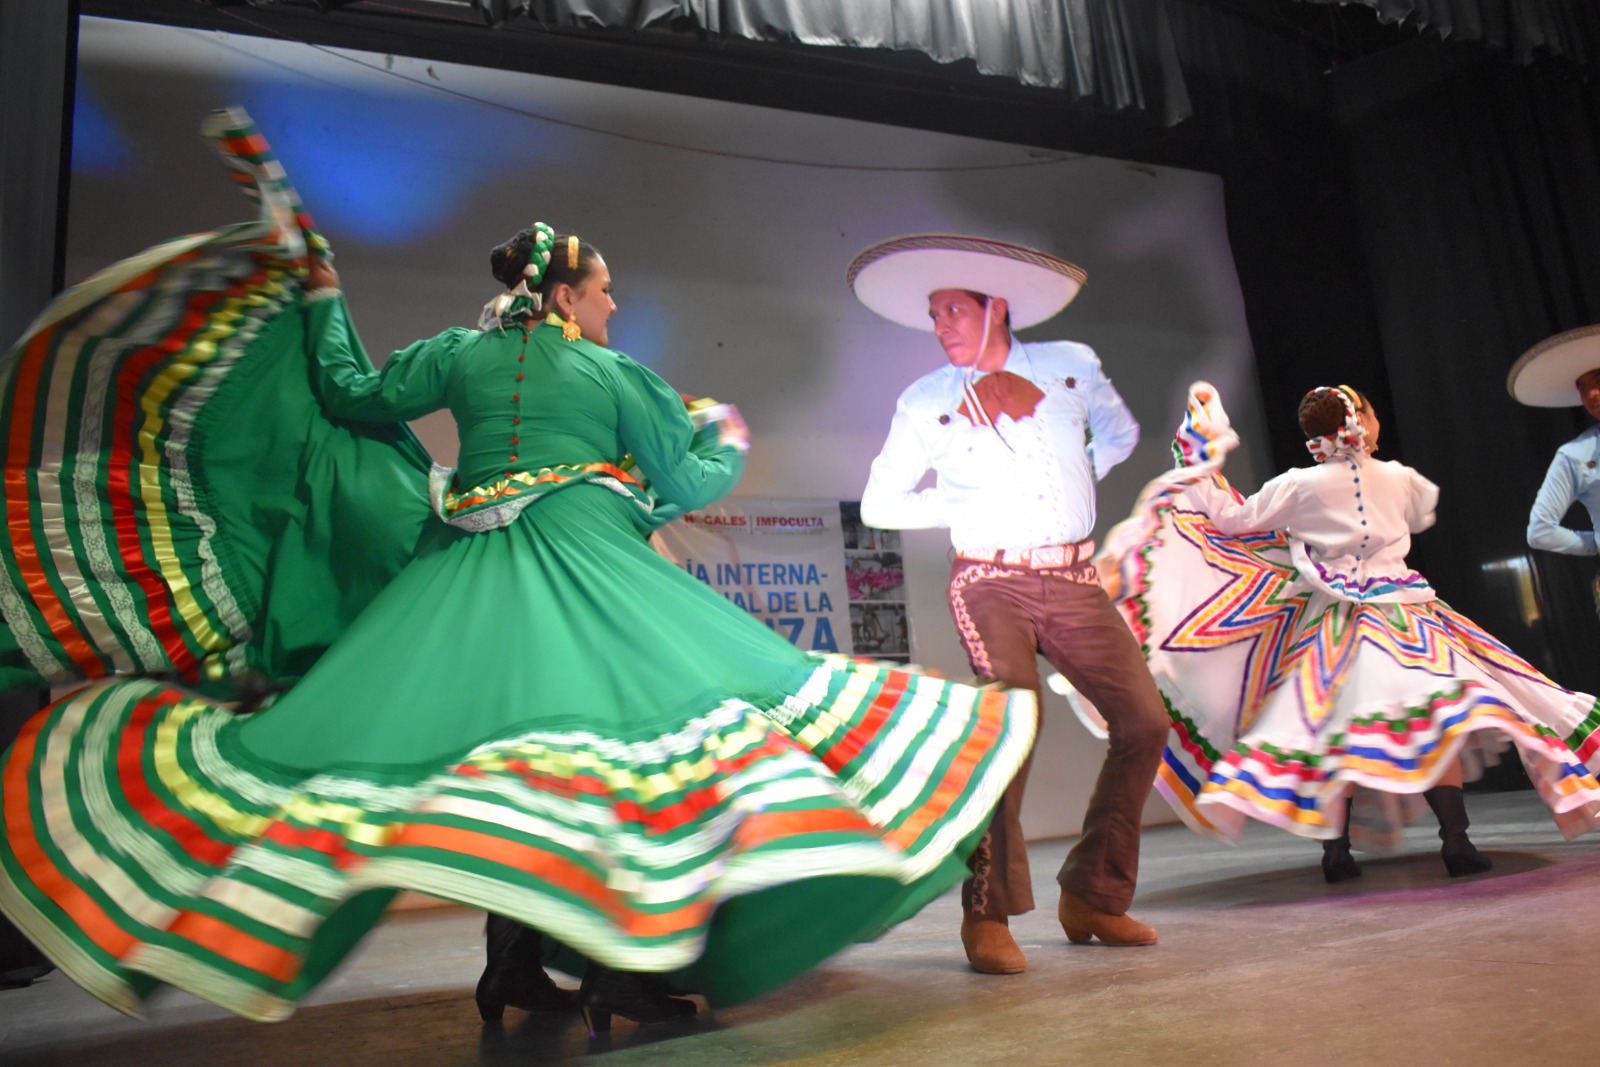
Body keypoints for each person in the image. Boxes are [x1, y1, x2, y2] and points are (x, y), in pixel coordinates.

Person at [0, 114, 1037, 1029]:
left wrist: (319, 294)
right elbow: (673, 483)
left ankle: (513, 967)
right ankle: (622, 977)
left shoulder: (458, 353)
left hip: (470, 573)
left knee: (514, 756)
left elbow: (354, 394)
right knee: (623, 758)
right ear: (568, 294)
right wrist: (722, 434)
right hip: (586, 570)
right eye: (605, 289)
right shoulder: (613, 370)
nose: (616, 304)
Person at [1094, 381, 1600, 879]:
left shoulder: (1299, 484)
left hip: (1335, 624)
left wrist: (1202, 464)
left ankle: (1336, 852)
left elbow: (1230, 521)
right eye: (1372, 414)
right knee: (1441, 722)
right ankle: (1456, 839)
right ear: (1358, 423)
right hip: (1411, 618)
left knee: (1330, 733)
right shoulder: (1401, 478)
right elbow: (1422, 512)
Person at [849, 234, 1170, 975]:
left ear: (997, 307)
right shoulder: (925, 399)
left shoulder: (1070, 365)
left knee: (1145, 721)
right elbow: (880, 501)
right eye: (933, 314)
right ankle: (985, 911)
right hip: (989, 578)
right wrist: (965, 502)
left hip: (1075, 577)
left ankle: (1093, 895)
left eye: (953, 310)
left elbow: (1120, 431)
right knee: (1013, 722)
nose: (940, 326)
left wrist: (1073, 478)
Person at [1508, 328, 1600, 618]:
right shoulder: (1575, 455)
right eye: (1582, 387)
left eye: (1597, 381)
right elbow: (1540, 531)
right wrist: (1596, 542)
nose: (1591, 394)